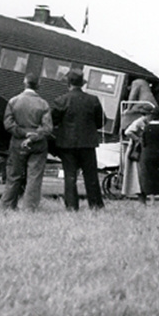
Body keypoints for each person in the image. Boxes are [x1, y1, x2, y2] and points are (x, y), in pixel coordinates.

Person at [52, 71, 105, 211]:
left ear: (68, 83)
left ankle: (71, 206)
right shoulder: (93, 100)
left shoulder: (61, 100)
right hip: (88, 143)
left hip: (67, 144)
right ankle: (96, 205)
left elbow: (53, 121)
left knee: (70, 176)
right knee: (91, 175)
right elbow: (100, 123)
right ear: (82, 83)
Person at [1, 72, 53, 211]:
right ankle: (29, 208)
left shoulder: (13, 101)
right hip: (38, 144)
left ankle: (7, 206)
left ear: (25, 82)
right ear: (38, 85)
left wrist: (23, 133)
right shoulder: (43, 104)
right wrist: (33, 137)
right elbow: (47, 128)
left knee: (13, 175)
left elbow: (8, 124)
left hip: (17, 142)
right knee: (34, 176)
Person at [125, 103, 159, 204]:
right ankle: (145, 197)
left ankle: (148, 198)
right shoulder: (141, 122)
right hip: (141, 151)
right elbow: (128, 132)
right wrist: (138, 139)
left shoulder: (146, 125)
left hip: (145, 152)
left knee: (146, 174)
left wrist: (141, 141)